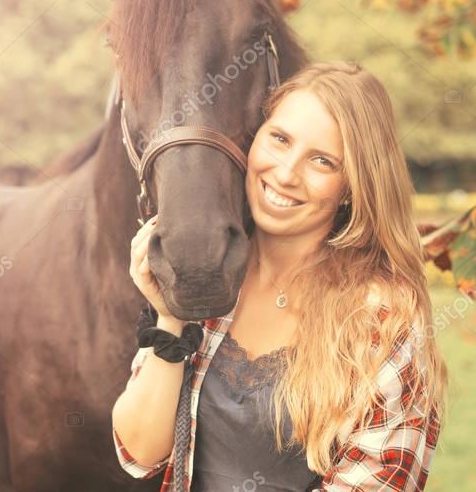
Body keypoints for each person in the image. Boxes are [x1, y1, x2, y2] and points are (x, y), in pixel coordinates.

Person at [111, 61, 449, 491]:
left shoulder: (383, 320)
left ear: (352, 187)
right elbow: (139, 452)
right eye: (280, 140)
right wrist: (171, 316)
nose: (286, 174)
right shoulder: (212, 269)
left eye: (322, 161)